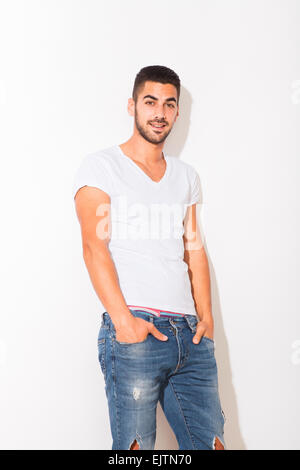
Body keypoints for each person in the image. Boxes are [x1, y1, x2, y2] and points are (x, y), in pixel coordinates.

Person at [72, 65, 226, 450]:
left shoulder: (186, 175)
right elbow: (94, 247)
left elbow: (194, 248)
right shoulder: (101, 166)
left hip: (189, 335)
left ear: (177, 112)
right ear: (132, 106)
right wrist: (124, 323)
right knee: (135, 450)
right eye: (151, 101)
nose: (160, 112)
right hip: (135, 331)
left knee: (211, 444)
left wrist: (205, 318)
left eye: (169, 104)